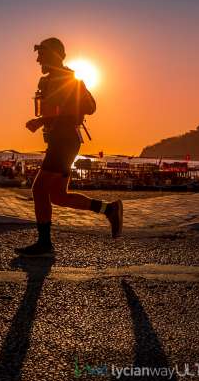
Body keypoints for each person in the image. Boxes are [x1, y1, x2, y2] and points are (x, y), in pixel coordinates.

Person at [15, 37, 123, 257]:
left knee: (38, 189)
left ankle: (45, 245)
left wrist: (43, 120)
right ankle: (109, 209)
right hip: (58, 140)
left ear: (54, 55)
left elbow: (90, 107)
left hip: (65, 140)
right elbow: (50, 109)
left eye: (41, 54)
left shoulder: (70, 79)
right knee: (58, 196)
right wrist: (44, 119)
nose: (37, 59)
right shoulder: (45, 82)